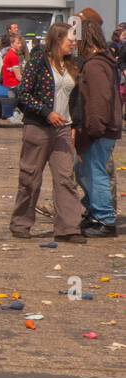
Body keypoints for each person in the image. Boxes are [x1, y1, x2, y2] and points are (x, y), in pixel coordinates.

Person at [10, 23, 83, 243]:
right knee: (31, 178)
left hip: (63, 129)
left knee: (65, 178)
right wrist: (46, 112)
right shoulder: (38, 62)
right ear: (57, 39)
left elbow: (76, 99)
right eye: (70, 39)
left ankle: (68, 228)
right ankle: (21, 223)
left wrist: (75, 126)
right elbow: (23, 93)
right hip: (38, 127)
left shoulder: (73, 65)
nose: (73, 43)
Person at [72, 20, 120, 237]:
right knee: (87, 172)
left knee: (95, 173)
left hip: (99, 129)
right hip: (101, 128)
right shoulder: (102, 62)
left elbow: (100, 100)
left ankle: (104, 219)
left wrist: (94, 128)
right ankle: (95, 213)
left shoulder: (95, 65)